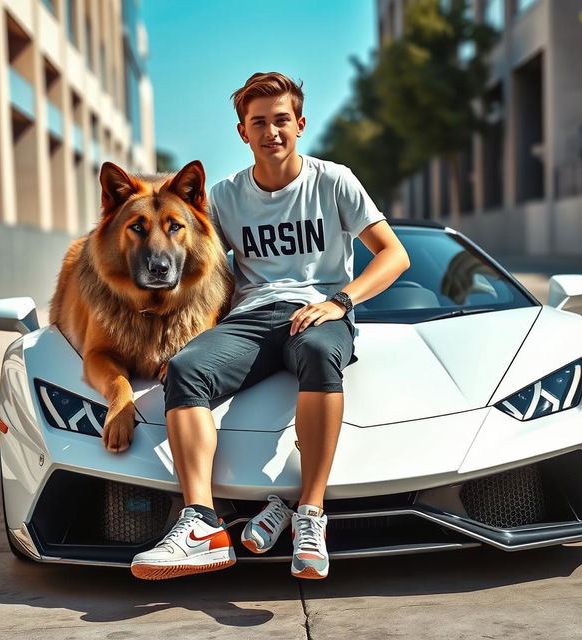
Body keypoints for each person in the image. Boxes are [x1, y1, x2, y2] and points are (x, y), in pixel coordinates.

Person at [131, 72, 410, 581]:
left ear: (300, 124)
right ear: (243, 132)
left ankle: (310, 514)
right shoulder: (225, 197)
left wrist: (340, 301)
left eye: (282, 119)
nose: (271, 131)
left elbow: (394, 255)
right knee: (186, 368)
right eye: (258, 122)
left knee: (322, 353)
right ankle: (200, 524)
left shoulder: (334, 180)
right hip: (254, 318)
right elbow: (191, 262)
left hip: (320, 312)